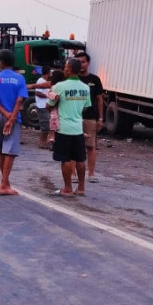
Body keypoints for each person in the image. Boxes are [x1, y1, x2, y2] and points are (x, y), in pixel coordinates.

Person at [48, 58, 91, 197]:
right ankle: (81, 188)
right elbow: (85, 107)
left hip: (64, 128)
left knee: (65, 158)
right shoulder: (85, 88)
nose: (64, 69)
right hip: (78, 128)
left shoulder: (59, 86)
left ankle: (67, 188)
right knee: (80, 159)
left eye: (66, 67)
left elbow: (49, 105)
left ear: (70, 69)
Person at [0, 49, 28, 196]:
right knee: (10, 150)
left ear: (2, 62)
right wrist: (11, 118)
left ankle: (5, 182)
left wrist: (4, 114)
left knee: (0, 149)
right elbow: (19, 100)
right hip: (13, 116)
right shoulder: (19, 79)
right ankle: (4, 184)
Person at [78, 53, 105, 183]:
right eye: (79, 62)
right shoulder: (72, 79)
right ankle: (73, 174)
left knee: (90, 146)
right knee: (75, 146)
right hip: (75, 118)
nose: (81, 64)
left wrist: (100, 118)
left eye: (83, 62)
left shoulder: (94, 80)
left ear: (88, 63)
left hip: (90, 117)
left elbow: (99, 99)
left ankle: (91, 173)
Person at [27, 66, 51, 149]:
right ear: (48, 73)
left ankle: (44, 141)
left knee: (47, 125)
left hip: (45, 106)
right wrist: (48, 95)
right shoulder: (41, 81)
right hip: (42, 106)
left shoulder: (44, 81)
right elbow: (37, 93)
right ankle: (42, 142)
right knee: (45, 126)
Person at [45, 70, 66, 149]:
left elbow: (48, 104)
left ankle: (52, 140)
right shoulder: (64, 87)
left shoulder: (54, 87)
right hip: (62, 111)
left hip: (54, 109)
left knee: (52, 128)